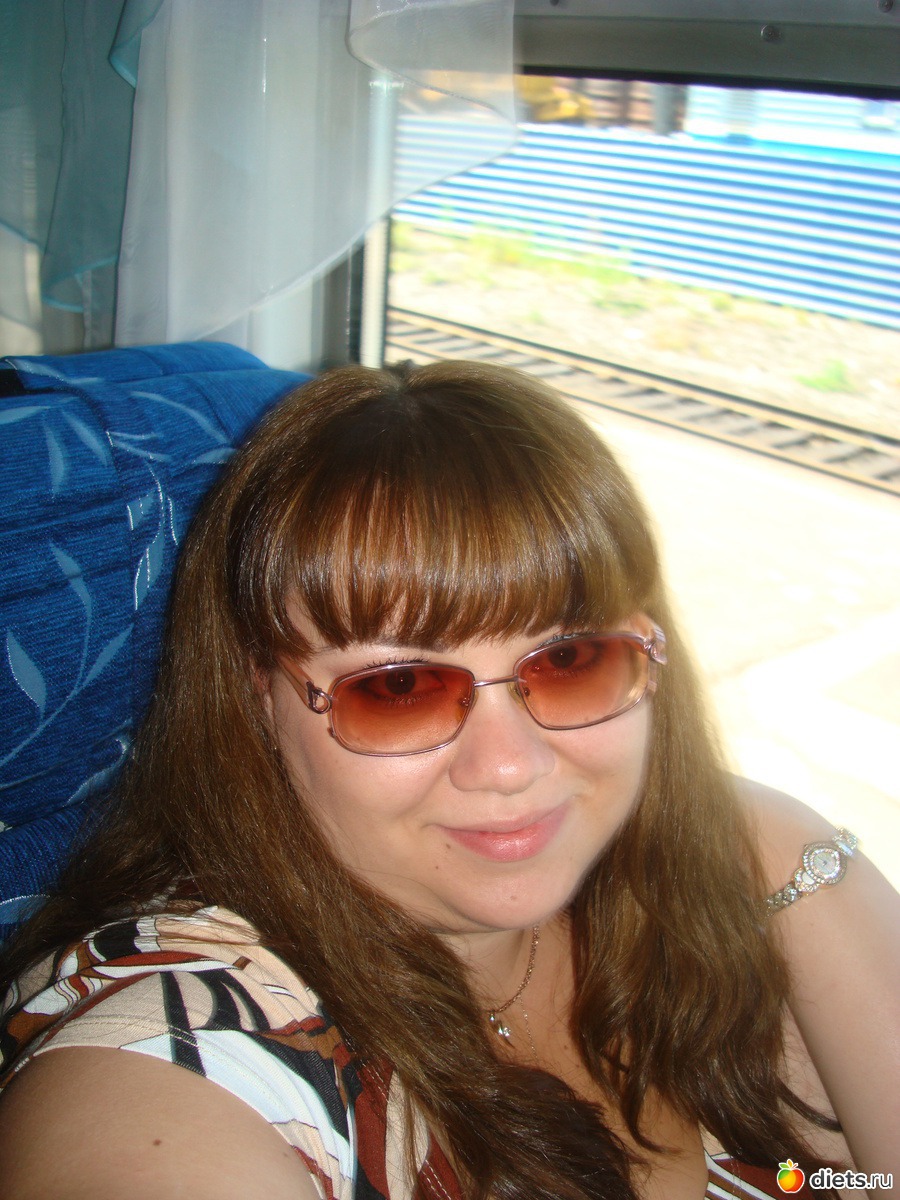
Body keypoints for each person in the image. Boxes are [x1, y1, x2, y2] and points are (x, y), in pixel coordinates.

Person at [0, 360, 897, 1200]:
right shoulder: (177, 1054)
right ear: (255, 698)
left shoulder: (757, 855)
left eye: (572, 659)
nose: (511, 765)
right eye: (398, 688)